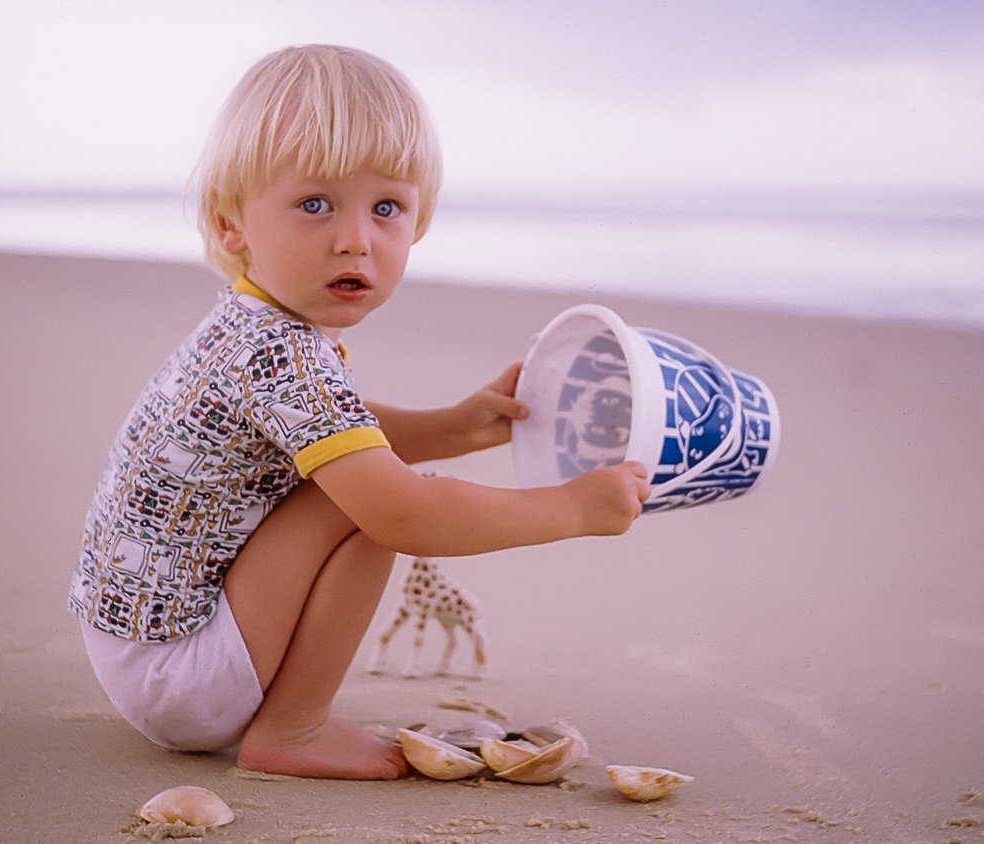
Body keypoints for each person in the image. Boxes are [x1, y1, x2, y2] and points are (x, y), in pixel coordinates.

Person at [68, 44, 649, 781]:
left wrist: (453, 425)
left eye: (387, 209)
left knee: (364, 477)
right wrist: (570, 508)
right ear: (230, 227)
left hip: (141, 646)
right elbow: (406, 515)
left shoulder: (252, 329)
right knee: (374, 506)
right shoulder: (283, 353)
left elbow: (322, 430)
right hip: (181, 673)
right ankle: (293, 726)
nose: (355, 238)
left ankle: (284, 713)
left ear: (418, 221)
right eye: (315, 204)